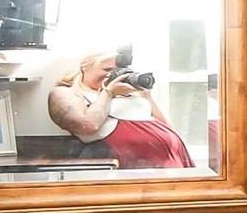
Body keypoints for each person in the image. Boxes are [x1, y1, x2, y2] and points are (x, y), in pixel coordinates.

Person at [47, 49, 198, 170]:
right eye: (107, 69)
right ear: (85, 67)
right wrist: (109, 92)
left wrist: (146, 96)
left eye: (120, 71)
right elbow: (87, 125)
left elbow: (167, 127)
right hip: (132, 167)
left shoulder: (126, 94)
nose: (113, 75)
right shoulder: (66, 93)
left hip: (171, 163)